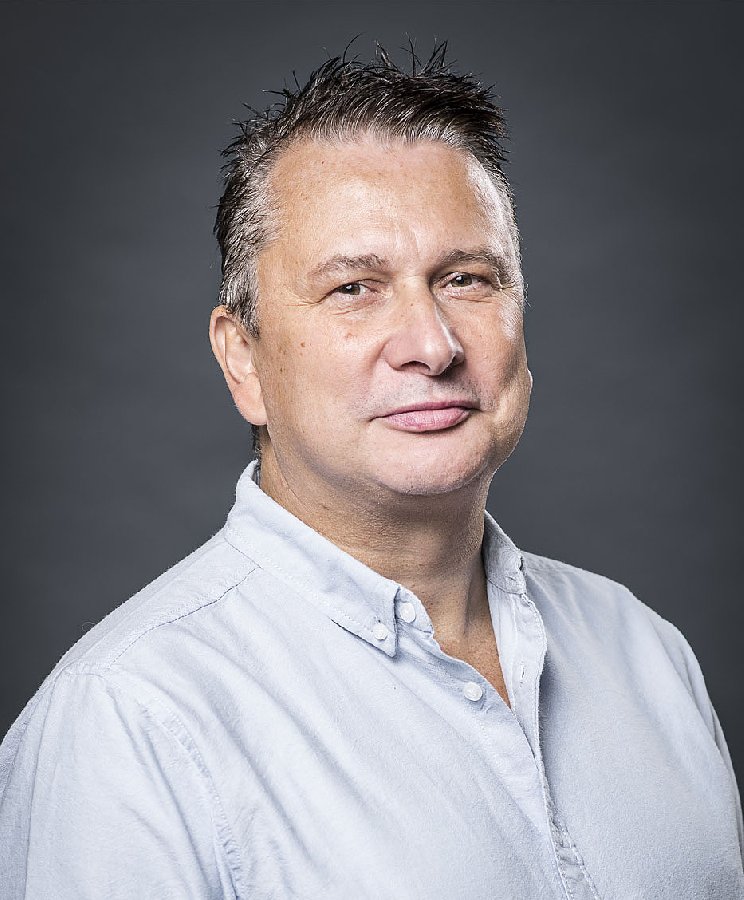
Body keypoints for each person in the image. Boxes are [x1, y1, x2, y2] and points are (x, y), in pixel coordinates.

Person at [1, 44, 742, 900]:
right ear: (242, 359)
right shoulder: (129, 720)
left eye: (466, 279)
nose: (433, 345)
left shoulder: (646, 653)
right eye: (354, 288)